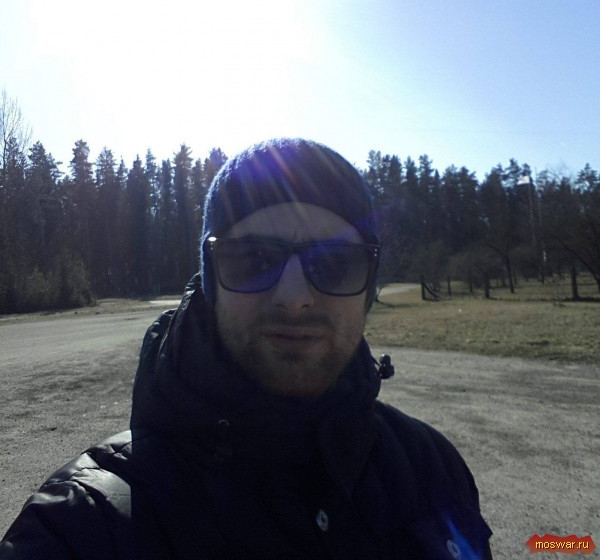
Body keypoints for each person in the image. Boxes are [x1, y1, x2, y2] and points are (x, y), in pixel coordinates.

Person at [0, 138, 492, 559]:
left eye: (336, 263)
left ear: (369, 286)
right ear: (210, 282)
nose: (295, 297)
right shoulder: (85, 522)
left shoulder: (431, 469)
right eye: (255, 259)